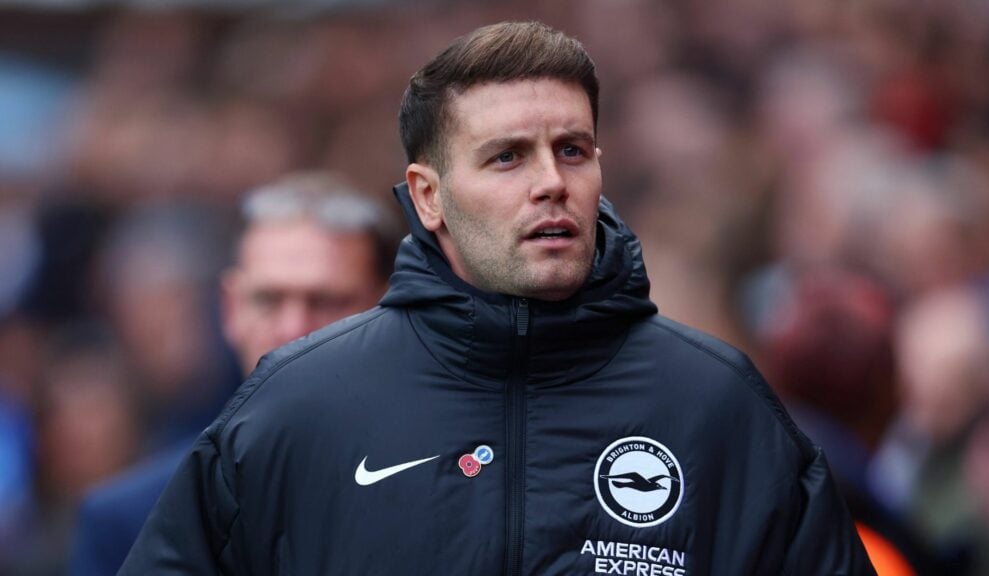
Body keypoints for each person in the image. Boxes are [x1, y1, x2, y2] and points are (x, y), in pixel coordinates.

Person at [120, 22, 874, 575]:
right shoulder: (295, 408)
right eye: (508, 157)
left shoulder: (718, 405)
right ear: (429, 197)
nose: (552, 181)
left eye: (572, 150)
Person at [67, 172, 398, 576]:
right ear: (230, 308)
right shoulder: (128, 520)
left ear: (388, 308)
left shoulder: (456, 489)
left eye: (326, 300)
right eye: (269, 300)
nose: (293, 329)